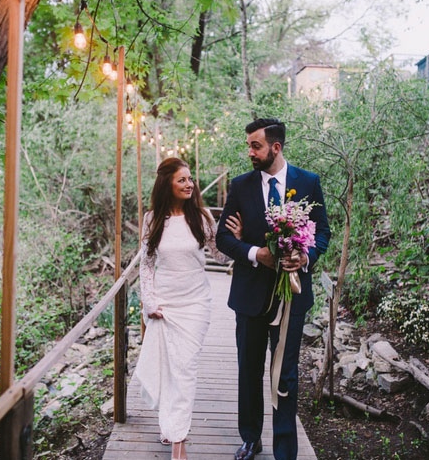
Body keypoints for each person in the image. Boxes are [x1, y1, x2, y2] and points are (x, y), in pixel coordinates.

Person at [216, 118, 331, 460]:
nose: (250, 152)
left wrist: (305, 257)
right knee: (249, 370)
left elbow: (322, 231)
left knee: (287, 373)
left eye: (256, 146)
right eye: (249, 145)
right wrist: (255, 253)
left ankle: (285, 449)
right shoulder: (240, 186)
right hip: (250, 295)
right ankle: (251, 439)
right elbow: (222, 237)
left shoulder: (308, 182)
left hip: (291, 296)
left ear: (275, 148)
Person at [134, 157, 242, 460]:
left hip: (195, 305)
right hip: (164, 306)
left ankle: (178, 441)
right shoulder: (152, 218)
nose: (189, 184)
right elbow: (146, 264)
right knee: (168, 370)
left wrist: (237, 240)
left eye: (190, 179)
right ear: (167, 183)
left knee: (184, 371)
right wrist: (150, 301)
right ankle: (170, 425)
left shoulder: (202, 217)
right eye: (182, 179)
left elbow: (221, 257)